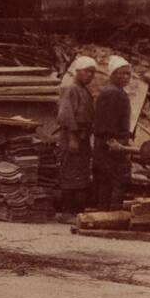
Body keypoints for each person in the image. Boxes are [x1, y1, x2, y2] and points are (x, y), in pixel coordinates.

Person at [57, 55, 97, 221]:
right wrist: (73, 138)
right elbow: (66, 115)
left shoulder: (83, 90)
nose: (90, 75)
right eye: (87, 71)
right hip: (71, 136)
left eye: (92, 73)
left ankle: (77, 211)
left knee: (80, 173)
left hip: (83, 137)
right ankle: (67, 211)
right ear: (78, 71)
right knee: (70, 172)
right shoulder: (70, 88)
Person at [93, 56, 134, 211]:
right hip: (111, 146)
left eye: (128, 74)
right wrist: (112, 141)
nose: (125, 77)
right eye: (121, 73)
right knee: (117, 179)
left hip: (111, 144)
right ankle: (111, 215)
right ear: (112, 74)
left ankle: (105, 213)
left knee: (107, 181)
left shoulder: (116, 92)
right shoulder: (112, 93)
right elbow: (106, 121)